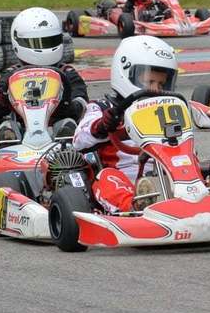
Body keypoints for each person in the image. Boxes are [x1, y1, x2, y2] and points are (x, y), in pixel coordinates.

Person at [72, 35, 180, 212]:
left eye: (162, 84)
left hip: (163, 173)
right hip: (123, 176)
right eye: (150, 82)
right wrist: (102, 125)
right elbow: (78, 140)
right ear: (125, 74)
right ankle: (134, 206)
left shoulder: (166, 111)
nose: (156, 89)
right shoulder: (104, 107)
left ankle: (203, 193)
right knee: (107, 177)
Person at [0, 8, 89, 139]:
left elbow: (81, 101)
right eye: (37, 43)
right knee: (6, 126)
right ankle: (7, 141)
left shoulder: (67, 72)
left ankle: (66, 140)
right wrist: (2, 98)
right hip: (21, 130)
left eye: (50, 41)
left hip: (58, 128)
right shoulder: (11, 75)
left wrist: (69, 105)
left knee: (68, 123)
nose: (44, 48)